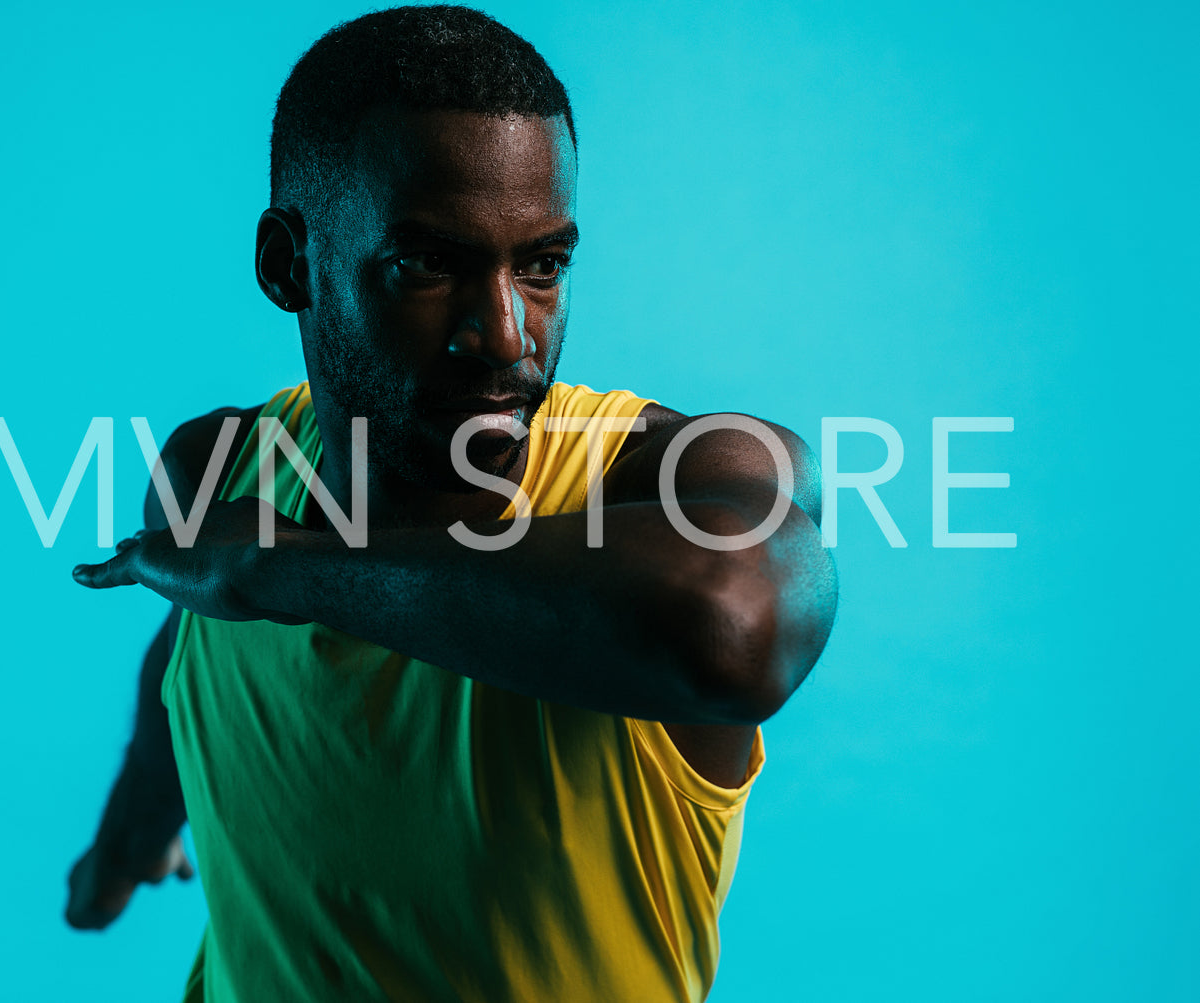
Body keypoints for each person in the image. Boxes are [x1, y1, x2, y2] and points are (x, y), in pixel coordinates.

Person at [64, 6, 837, 1001]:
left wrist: (286, 569)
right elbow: (193, 656)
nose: (506, 337)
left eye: (542, 266)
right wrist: (128, 833)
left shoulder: (662, 475)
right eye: (428, 264)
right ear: (287, 264)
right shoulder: (220, 468)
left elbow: (732, 628)